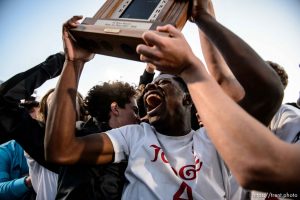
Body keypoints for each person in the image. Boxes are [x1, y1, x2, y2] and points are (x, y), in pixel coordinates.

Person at [45, 8, 282, 199]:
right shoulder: (134, 136)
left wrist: (204, 18)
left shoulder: (214, 140)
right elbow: (62, 151)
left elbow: (269, 92)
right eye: (151, 84)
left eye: (165, 81)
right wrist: (73, 62)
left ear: (188, 98)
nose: (151, 86)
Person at [136, 0, 298, 193]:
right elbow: (221, 77)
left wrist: (189, 68)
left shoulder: (289, 118)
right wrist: (202, 17)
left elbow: (259, 165)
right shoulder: (138, 135)